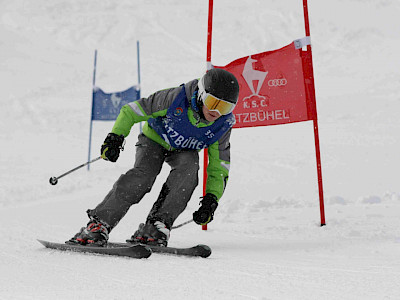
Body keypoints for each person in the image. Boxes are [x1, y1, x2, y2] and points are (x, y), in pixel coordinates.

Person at [68, 68, 240, 247]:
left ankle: (157, 225)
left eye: (225, 107)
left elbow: (219, 165)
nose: (216, 112)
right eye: (212, 102)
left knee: (188, 171)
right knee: (143, 176)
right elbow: (132, 110)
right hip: (154, 140)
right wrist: (115, 137)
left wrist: (211, 199)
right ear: (201, 94)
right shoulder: (176, 98)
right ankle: (99, 224)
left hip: (185, 150)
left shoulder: (222, 124)